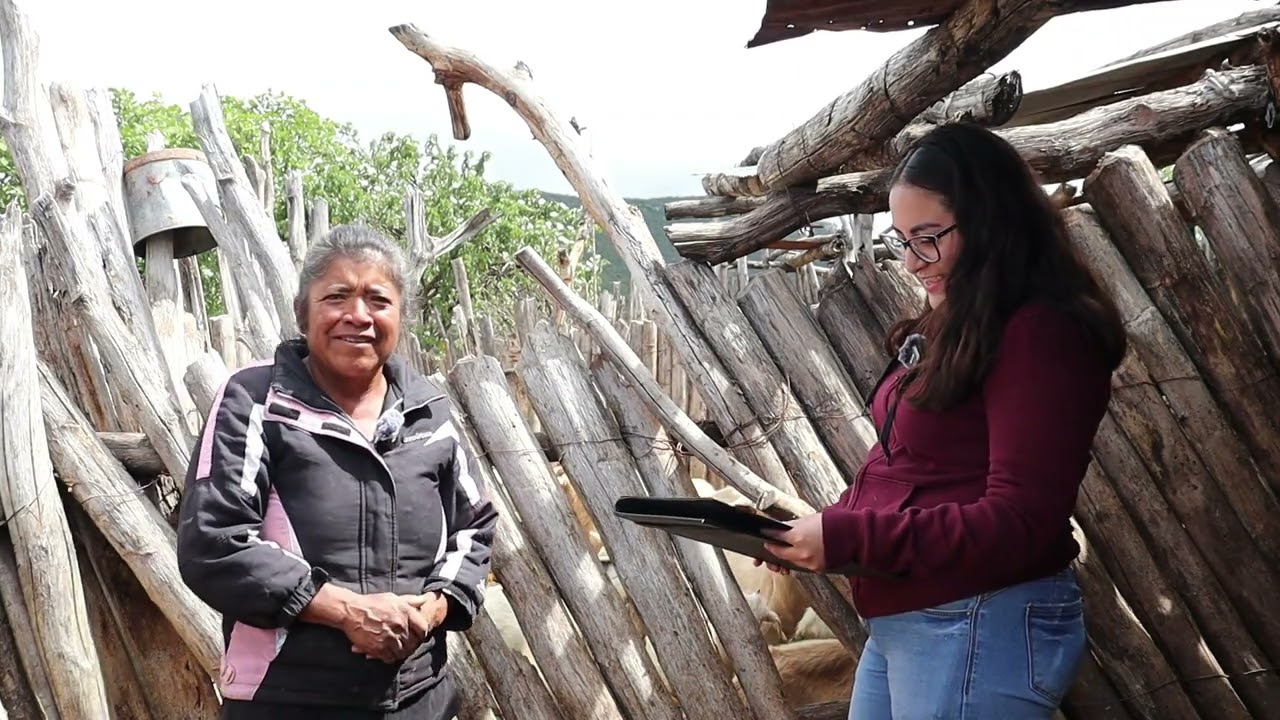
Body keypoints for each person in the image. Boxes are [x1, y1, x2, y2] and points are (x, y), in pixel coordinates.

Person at [760, 122, 1127, 718]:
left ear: (991, 223)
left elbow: (1020, 521)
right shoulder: (964, 325)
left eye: (927, 238)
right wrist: (817, 531)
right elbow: (913, 471)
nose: (911, 262)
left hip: (980, 618)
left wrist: (851, 537)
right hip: (921, 618)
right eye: (902, 240)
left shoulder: (1041, 335)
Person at [176, 224, 497, 720]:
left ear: (400, 317)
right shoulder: (257, 402)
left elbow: (473, 527)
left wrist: (429, 611)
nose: (358, 315)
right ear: (303, 312)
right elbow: (213, 541)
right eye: (337, 296)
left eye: (378, 299)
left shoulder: (428, 414)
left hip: (419, 700)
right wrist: (349, 612)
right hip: (288, 700)